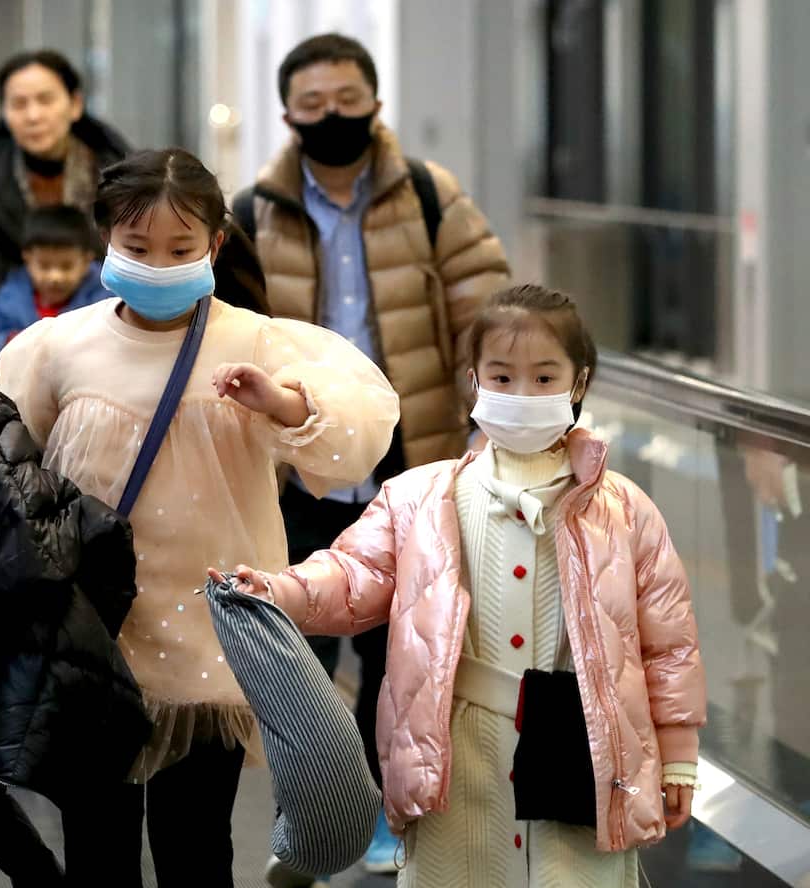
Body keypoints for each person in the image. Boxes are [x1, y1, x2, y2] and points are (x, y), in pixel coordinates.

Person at [0, 148, 399, 887]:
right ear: (105, 241)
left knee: (196, 843)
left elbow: (356, 438)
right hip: (95, 636)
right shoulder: (56, 347)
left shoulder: (257, 343)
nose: (157, 264)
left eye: (179, 249)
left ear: (214, 245)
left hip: (215, 636)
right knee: (96, 843)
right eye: (137, 247)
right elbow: (12, 468)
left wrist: (282, 404)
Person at [219, 285, 706, 888]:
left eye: (543, 377)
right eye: (501, 377)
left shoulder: (624, 510)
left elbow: (669, 642)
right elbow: (354, 577)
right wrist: (279, 591)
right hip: (455, 746)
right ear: (474, 381)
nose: (521, 394)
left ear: (578, 384)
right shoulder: (420, 496)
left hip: (583, 747)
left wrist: (678, 758)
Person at [231, 33, 512, 874]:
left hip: (413, 467)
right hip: (297, 469)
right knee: (294, 660)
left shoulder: (430, 195)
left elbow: (485, 314)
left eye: (347, 99)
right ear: (286, 114)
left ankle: (389, 814)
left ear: (377, 100)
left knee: (404, 657)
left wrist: (487, 428)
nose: (332, 117)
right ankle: (307, 820)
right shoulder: (252, 213)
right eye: (312, 105)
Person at [0, 50, 129, 352]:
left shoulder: (121, 179)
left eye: (46, 100)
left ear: (75, 104)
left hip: (104, 338)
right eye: (18, 104)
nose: (33, 115)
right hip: (7, 337)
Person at [0, 205, 108, 379]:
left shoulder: (103, 298)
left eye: (66, 266)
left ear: (87, 261)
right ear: (27, 258)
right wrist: (11, 342)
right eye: (44, 266)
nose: (55, 277)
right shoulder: (12, 296)